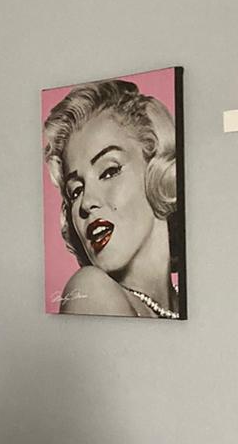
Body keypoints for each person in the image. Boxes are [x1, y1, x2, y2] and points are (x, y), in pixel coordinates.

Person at [43, 77, 182, 318]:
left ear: (156, 170)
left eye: (109, 171)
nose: (86, 203)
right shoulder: (91, 288)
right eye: (75, 191)